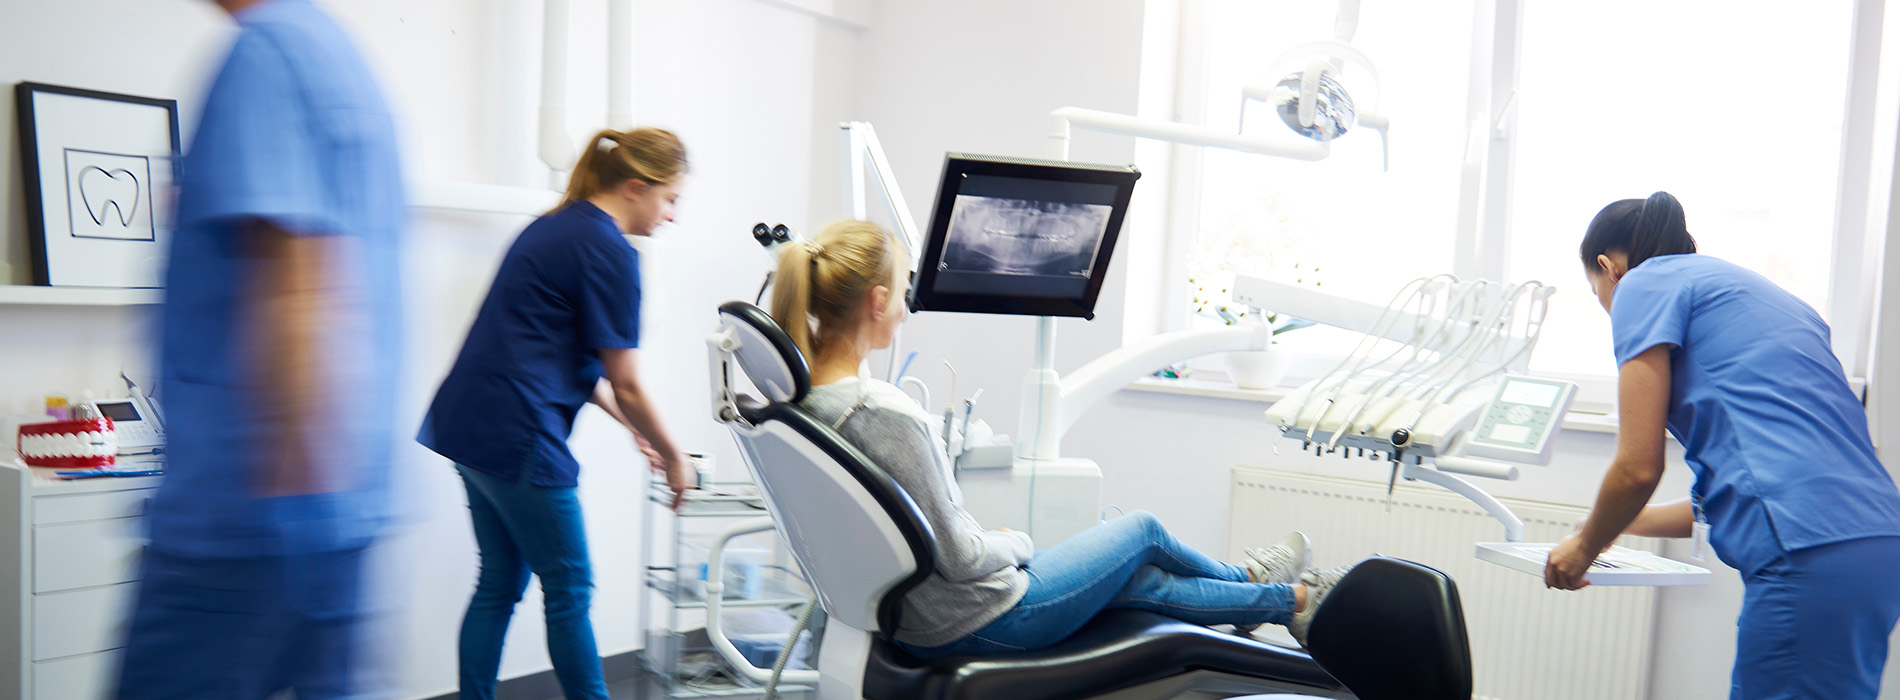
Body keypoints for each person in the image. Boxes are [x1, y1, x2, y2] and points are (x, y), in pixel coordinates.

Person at [768, 220, 1357, 658]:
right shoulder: (882, 412)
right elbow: (963, 556)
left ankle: (1290, 601)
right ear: (876, 302)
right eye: (901, 292)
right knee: (1143, 531)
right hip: (983, 616)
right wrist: (1016, 542)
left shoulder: (807, 404)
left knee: (1140, 579)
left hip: (934, 610)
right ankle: (1256, 580)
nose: (905, 307)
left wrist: (987, 543)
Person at [116, 0, 405, 698]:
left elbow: (299, 289)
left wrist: (292, 533)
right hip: (332, 510)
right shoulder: (335, 54)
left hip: (245, 527)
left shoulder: (264, 55)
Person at [1545, 191, 1900, 699]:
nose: (1606, 307)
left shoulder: (1643, 285)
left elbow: (1637, 468)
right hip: (1875, 545)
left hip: (1803, 550)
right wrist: (1607, 527)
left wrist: (1580, 549)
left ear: (1609, 268)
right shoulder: (1764, 297)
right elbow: (1746, 489)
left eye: (1596, 291)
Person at [418, 127, 693, 700]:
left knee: (499, 583)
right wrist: (673, 455)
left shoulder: (555, 225)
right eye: (671, 199)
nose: (671, 216)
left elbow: (566, 358)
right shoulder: (609, 249)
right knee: (570, 586)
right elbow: (628, 382)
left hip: (466, 426)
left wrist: (631, 430)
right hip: (518, 435)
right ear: (637, 187)